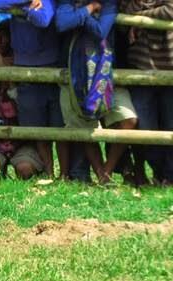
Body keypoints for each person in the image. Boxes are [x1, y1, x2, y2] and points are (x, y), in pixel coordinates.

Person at [56, 0, 138, 183]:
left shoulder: (109, 4)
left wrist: (78, 16)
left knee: (128, 119)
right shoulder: (68, 2)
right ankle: (103, 175)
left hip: (106, 74)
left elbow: (101, 31)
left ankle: (107, 171)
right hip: (76, 77)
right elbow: (61, 23)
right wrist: (89, 10)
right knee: (84, 126)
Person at [0, 0, 70, 178]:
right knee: (38, 129)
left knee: (60, 128)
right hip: (24, 71)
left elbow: (43, 18)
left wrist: (21, 9)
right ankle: (49, 174)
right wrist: (27, 3)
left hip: (52, 69)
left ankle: (64, 175)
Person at [0, 13, 44, 178]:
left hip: (22, 138)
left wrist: (8, 75)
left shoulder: (21, 62)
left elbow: (26, 107)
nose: (1, 40)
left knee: (25, 169)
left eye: (4, 35)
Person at [121, 0, 172, 185]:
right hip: (140, 69)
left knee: (170, 124)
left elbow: (170, 10)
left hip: (169, 68)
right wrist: (141, 12)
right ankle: (159, 171)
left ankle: (168, 176)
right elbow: (125, 10)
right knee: (144, 125)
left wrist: (140, 17)